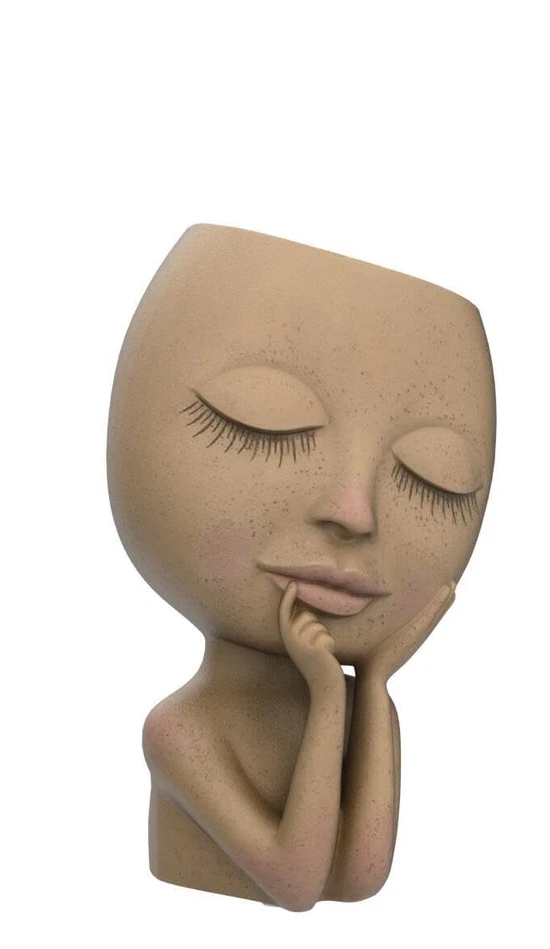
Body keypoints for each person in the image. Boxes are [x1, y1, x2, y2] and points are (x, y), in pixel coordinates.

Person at [107, 224, 496, 910]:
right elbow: (294, 883)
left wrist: (370, 685)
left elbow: (359, 878)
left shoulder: (362, 710)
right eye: (262, 424)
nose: (355, 512)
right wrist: (328, 695)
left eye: (433, 479)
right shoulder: (180, 729)